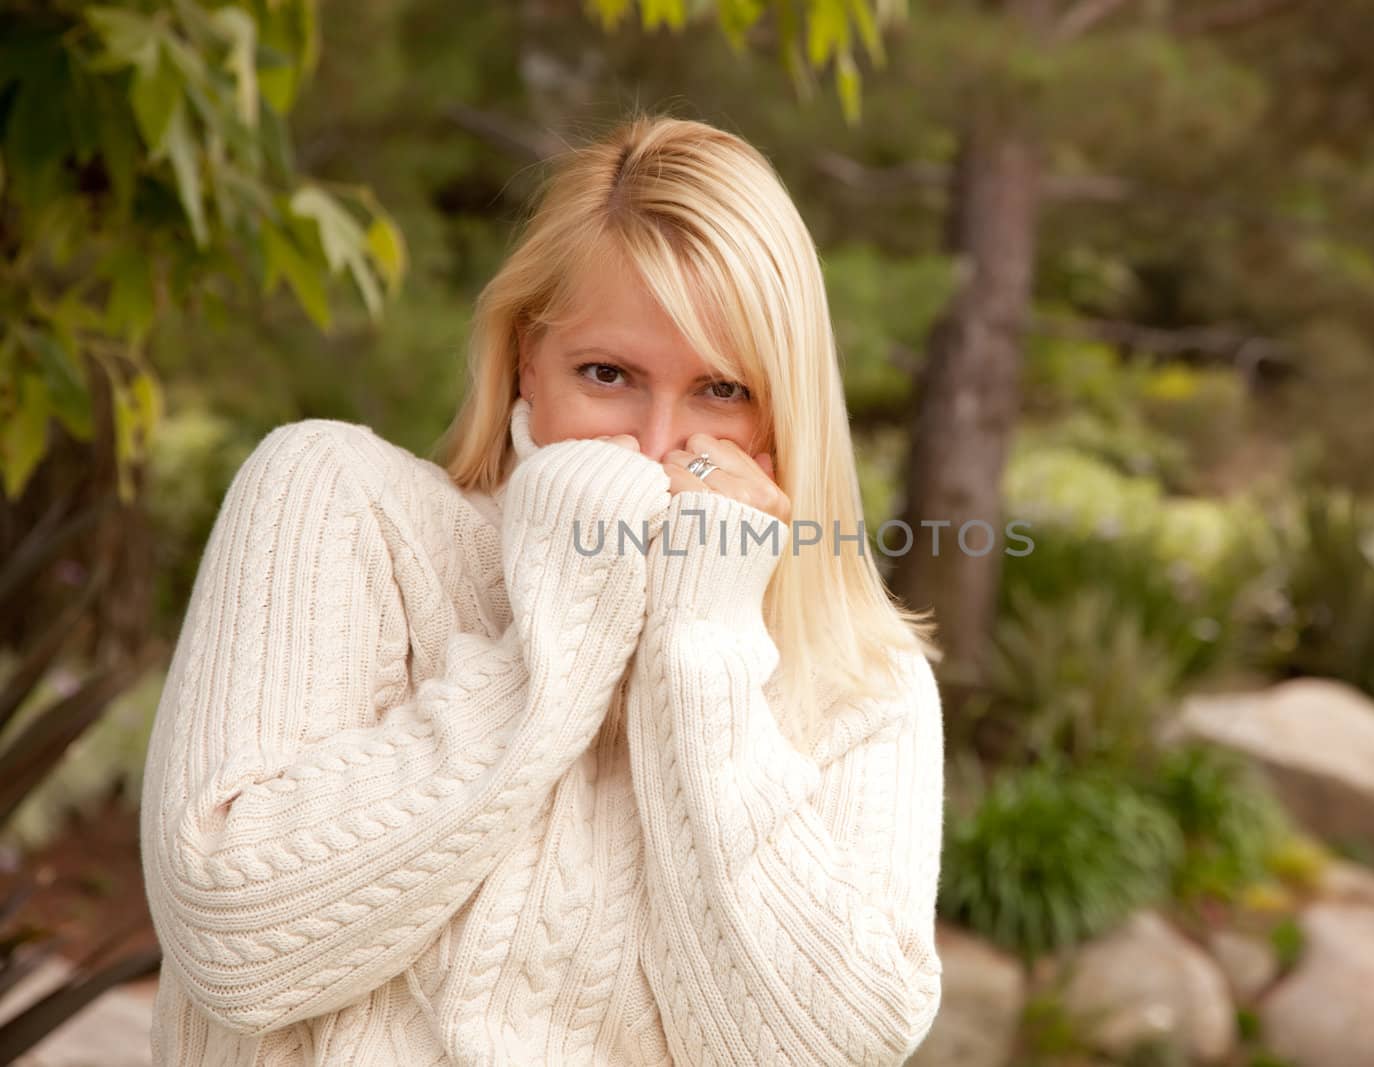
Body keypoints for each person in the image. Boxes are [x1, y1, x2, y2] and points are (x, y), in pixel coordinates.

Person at [139, 113, 946, 1066]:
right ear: (527, 355)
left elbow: (826, 1049)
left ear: (786, 404)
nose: (655, 445)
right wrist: (558, 641)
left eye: (720, 391)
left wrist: (701, 654)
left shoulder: (860, 676)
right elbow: (233, 943)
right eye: (608, 374)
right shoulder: (342, 504)